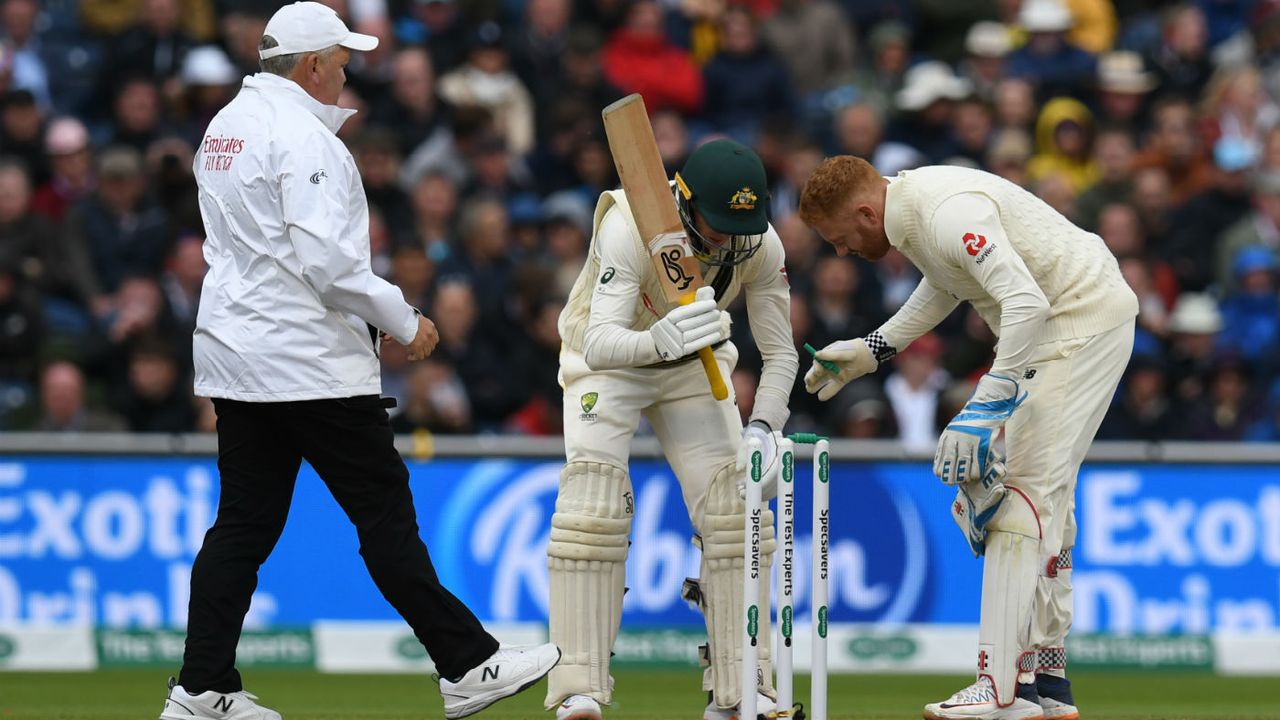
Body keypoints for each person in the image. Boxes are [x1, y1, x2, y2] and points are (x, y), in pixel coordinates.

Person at [158, 4, 559, 720]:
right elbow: (327, 265)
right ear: (312, 65)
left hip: (239, 357)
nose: (347, 73)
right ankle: (467, 666)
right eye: (341, 60)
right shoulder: (306, 140)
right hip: (306, 361)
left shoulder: (224, 126)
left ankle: (201, 688)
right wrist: (406, 319)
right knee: (383, 515)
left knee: (243, 525)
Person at [798, 155, 1137, 720]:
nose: (841, 252)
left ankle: (1001, 686)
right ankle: (1046, 681)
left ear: (863, 210)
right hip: (1079, 321)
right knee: (1047, 503)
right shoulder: (915, 212)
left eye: (840, 238)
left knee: (1015, 502)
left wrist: (986, 404)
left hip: (1075, 325)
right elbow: (947, 284)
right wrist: (872, 350)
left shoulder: (944, 213)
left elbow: (1025, 302)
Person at [548, 139, 797, 720]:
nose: (729, 243)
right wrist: (657, 340)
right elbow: (600, 339)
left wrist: (763, 425)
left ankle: (741, 690)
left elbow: (781, 354)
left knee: (738, 511)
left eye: (743, 227)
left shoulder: (758, 243)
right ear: (685, 204)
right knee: (594, 505)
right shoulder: (632, 226)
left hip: (694, 366)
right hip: (608, 363)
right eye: (718, 227)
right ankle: (578, 687)